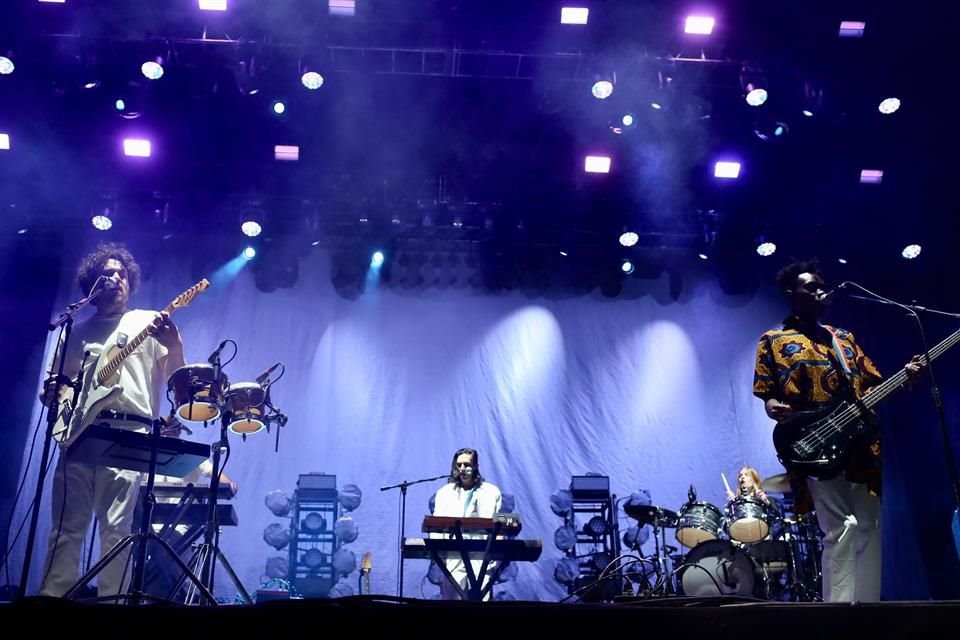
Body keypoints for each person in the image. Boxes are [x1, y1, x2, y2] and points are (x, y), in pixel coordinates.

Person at [752, 259, 923, 602]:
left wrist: (906, 378)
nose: (819, 290)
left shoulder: (843, 338)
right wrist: (773, 407)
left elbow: (872, 384)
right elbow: (767, 392)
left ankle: (868, 611)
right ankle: (839, 614)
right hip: (815, 442)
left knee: (869, 527)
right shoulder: (773, 340)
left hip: (861, 442)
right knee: (840, 527)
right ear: (791, 293)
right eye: (809, 286)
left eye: (820, 284)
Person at [38, 243, 186, 599]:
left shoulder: (147, 322)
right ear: (92, 282)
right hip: (78, 434)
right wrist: (54, 393)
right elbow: (54, 392)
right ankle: (51, 596)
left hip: (129, 433)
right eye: (108, 273)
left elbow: (178, 385)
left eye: (122, 274)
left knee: (117, 529)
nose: (116, 278)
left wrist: (175, 344)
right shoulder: (74, 331)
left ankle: (114, 601)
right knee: (65, 527)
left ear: (130, 282)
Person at [431, 447, 502, 600]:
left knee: (482, 599)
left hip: (481, 554)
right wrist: (440, 551)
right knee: (451, 601)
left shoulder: (491, 492)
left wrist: (497, 547)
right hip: (453, 553)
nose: (462, 468)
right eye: (459, 465)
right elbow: (435, 525)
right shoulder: (445, 492)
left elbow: (499, 524)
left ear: (476, 466)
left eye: (467, 465)